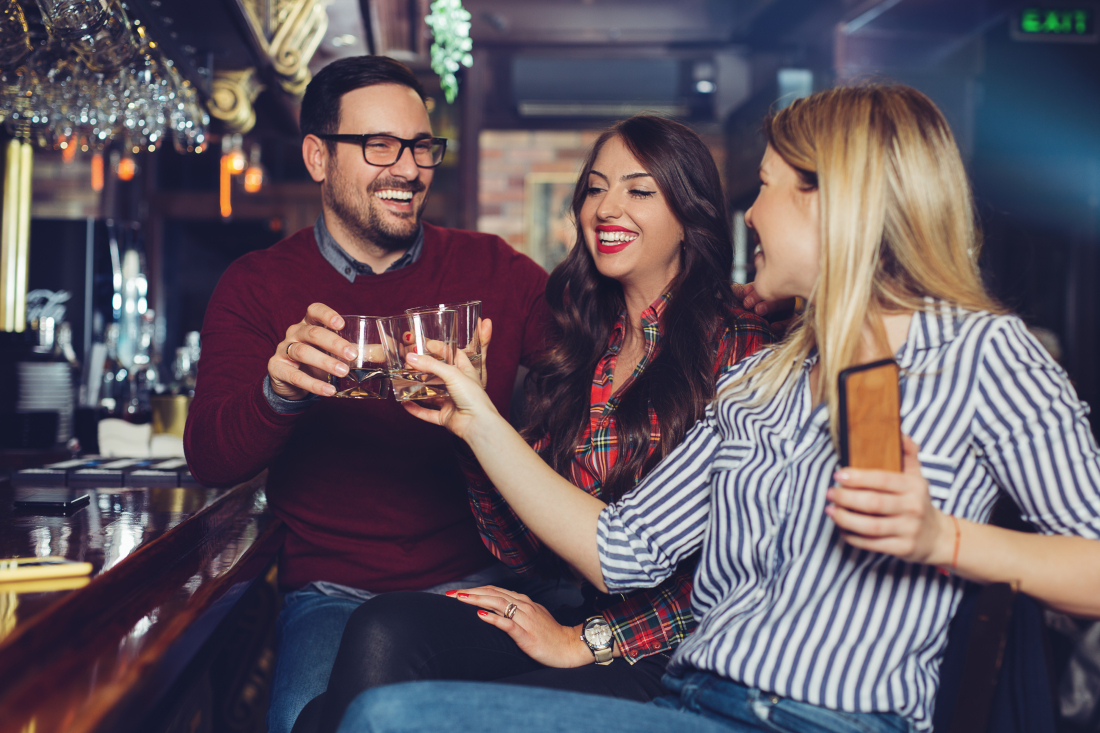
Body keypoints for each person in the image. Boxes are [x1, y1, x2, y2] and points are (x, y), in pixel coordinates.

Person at [335, 83, 1100, 733]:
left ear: (835, 199)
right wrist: (476, 417)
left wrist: (944, 538)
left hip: (815, 718)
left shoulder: (983, 352)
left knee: (386, 718)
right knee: (369, 704)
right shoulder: (764, 376)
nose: (752, 215)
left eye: (765, 187)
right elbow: (620, 550)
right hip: (693, 700)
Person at [292, 115, 773, 733]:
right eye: (595, 188)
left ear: (691, 215)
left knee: (327, 721)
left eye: (639, 190)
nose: (607, 207)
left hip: (670, 651)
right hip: (582, 615)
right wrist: (466, 432)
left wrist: (590, 638)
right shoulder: (581, 344)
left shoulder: (740, 344)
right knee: (382, 629)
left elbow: (738, 568)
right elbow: (531, 550)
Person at [182, 55, 558, 733]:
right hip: (335, 591)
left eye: (420, 146)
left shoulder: (494, 268)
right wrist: (279, 390)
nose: (409, 169)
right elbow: (208, 455)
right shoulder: (257, 284)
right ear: (318, 156)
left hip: (479, 583)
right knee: (307, 719)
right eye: (379, 145)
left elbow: (603, 365)